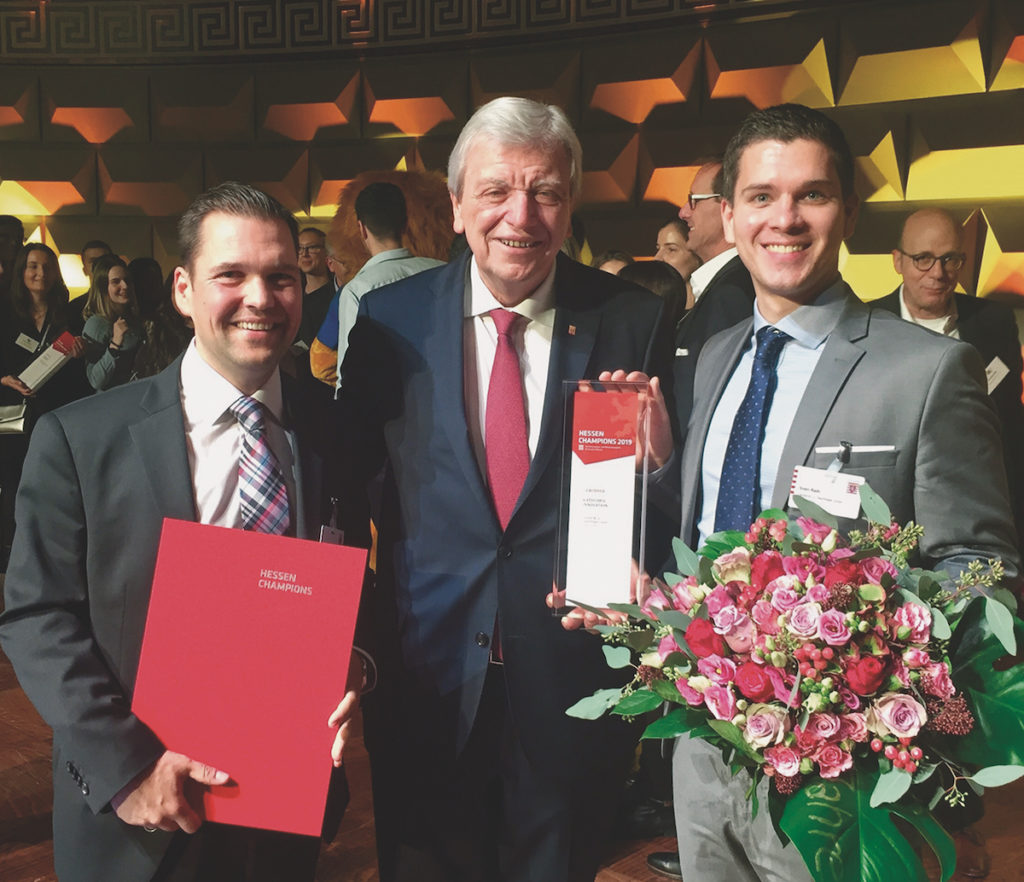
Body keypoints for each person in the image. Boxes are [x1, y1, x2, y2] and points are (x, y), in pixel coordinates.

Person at [665, 103, 1020, 882]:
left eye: (811, 195)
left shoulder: (926, 372)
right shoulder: (716, 354)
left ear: (849, 213)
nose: (784, 219)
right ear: (728, 214)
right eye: (760, 197)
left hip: (845, 778)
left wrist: (877, 693)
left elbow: (983, 567)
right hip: (702, 752)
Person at [340, 95, 672, 882]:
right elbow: (342, 478)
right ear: (455, 206)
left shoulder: (634, 317)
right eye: (495, 191)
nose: (519, 215)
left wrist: (658, 463)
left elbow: (665, 501)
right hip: (426, 667)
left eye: (545, 191)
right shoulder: (389, 320)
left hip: (573, 670)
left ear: (569, 204)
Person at [0, 182, 370, 882]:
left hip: (283, 811)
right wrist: (128, 769)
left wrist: (357, 661)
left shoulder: (334, 429)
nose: (260, 297)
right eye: (230, 274)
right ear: (182, 288)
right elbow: (35, 615)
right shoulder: (82, 439)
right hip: (136, 815)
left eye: (281, 277)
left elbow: (358, 577)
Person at [872, 207, 1024, 551]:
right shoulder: (866, 324)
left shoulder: (994, 322)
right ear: (898, 261)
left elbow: (1011, 423)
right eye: (923, 258)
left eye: (950, 259)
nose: (937, 273)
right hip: (896, 512)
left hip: (979, 508)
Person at [0, 243, 86, 559]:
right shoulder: (5, 313)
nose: (40, 273)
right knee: (14, 482)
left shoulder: (70, 315)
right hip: (12, 415)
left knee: (54, 483)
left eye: (47, 267)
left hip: (56, 413)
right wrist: (3, 379)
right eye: (33, 266)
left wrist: (81, 353)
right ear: (21, 271)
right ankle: (11, 553)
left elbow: (81, 376)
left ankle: (50, 553)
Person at [332, 181, 444, 387]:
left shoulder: (357, 290)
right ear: (405, 224)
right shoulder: (443, 273)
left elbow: (348, 375)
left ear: (362, 228)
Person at [82, 254, 145, 391]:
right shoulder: (96, 324)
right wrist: (115, 343)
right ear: (103, 288)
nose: (125, 286)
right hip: (111, 404)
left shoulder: (134, 318)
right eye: (116, 281)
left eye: (127, 280)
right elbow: (95, 380)